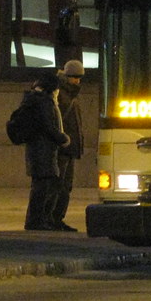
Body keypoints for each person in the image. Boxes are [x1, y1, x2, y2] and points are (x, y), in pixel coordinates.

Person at [23, 69, 70, 231]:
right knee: (41, 188)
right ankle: (36, 221)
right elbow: (48, 126)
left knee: (43, 187)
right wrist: (62, 138)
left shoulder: (37, 100)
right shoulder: (43, 102)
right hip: (42, 151)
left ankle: (38, 219)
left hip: (41, 150)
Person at [50, 59, 85, 232]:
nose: (78, 81)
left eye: (79, 78)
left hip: (69, 147)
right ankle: (53, 218)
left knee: (65, 186)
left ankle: (57, 218)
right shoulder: (62, 94)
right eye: (75, 78)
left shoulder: (72, 95)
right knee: (59, 185)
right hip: (63, 147)